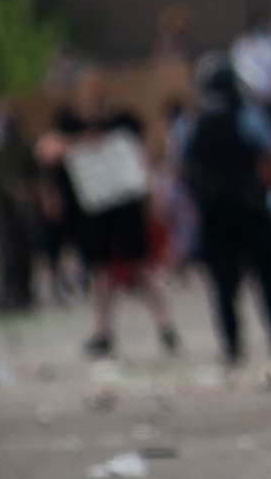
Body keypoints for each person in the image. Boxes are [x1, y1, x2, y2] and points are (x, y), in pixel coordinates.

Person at [180, 58, 271, 363]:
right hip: (249, 209)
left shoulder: (193, 122)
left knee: (224, 286)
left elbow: (183, 168)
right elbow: (269, 156)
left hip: (214, 214)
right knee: (268, 280)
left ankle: (232, 346)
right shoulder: (246, 115)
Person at [54, 88, 179, 359]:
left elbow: (145, 155)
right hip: (97, 210)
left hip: (125, 208)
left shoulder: (123, 124)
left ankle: (165, 325)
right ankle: (103, 330)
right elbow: (49, 150)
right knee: (102, 272)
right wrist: (81, 143)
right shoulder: (71, 127)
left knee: (142, 268)